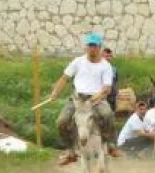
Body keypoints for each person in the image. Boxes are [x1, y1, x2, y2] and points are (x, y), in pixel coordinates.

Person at [50, 32, 120, 165]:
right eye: (89, 45)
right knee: (61, 121)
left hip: (96, 99)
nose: (92, 48)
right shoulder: (78, 61)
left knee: (107, 114)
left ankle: (110, 143)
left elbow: (107, 88)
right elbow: (64, 78)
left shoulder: (105, 66)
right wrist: (55, 92)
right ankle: (70, 150)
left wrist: (96, 97)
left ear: (99, 47)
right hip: (77, 98)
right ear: (85, 47)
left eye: (94, 46)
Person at [103, 47, 120, 111]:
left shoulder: (114, 69)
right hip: (102, 96)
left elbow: (116, 81)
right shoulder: (98, 68)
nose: (108, 58)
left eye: (110, 56)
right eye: (106, 56)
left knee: (111, 112)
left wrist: (117, 92)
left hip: (112, 96)